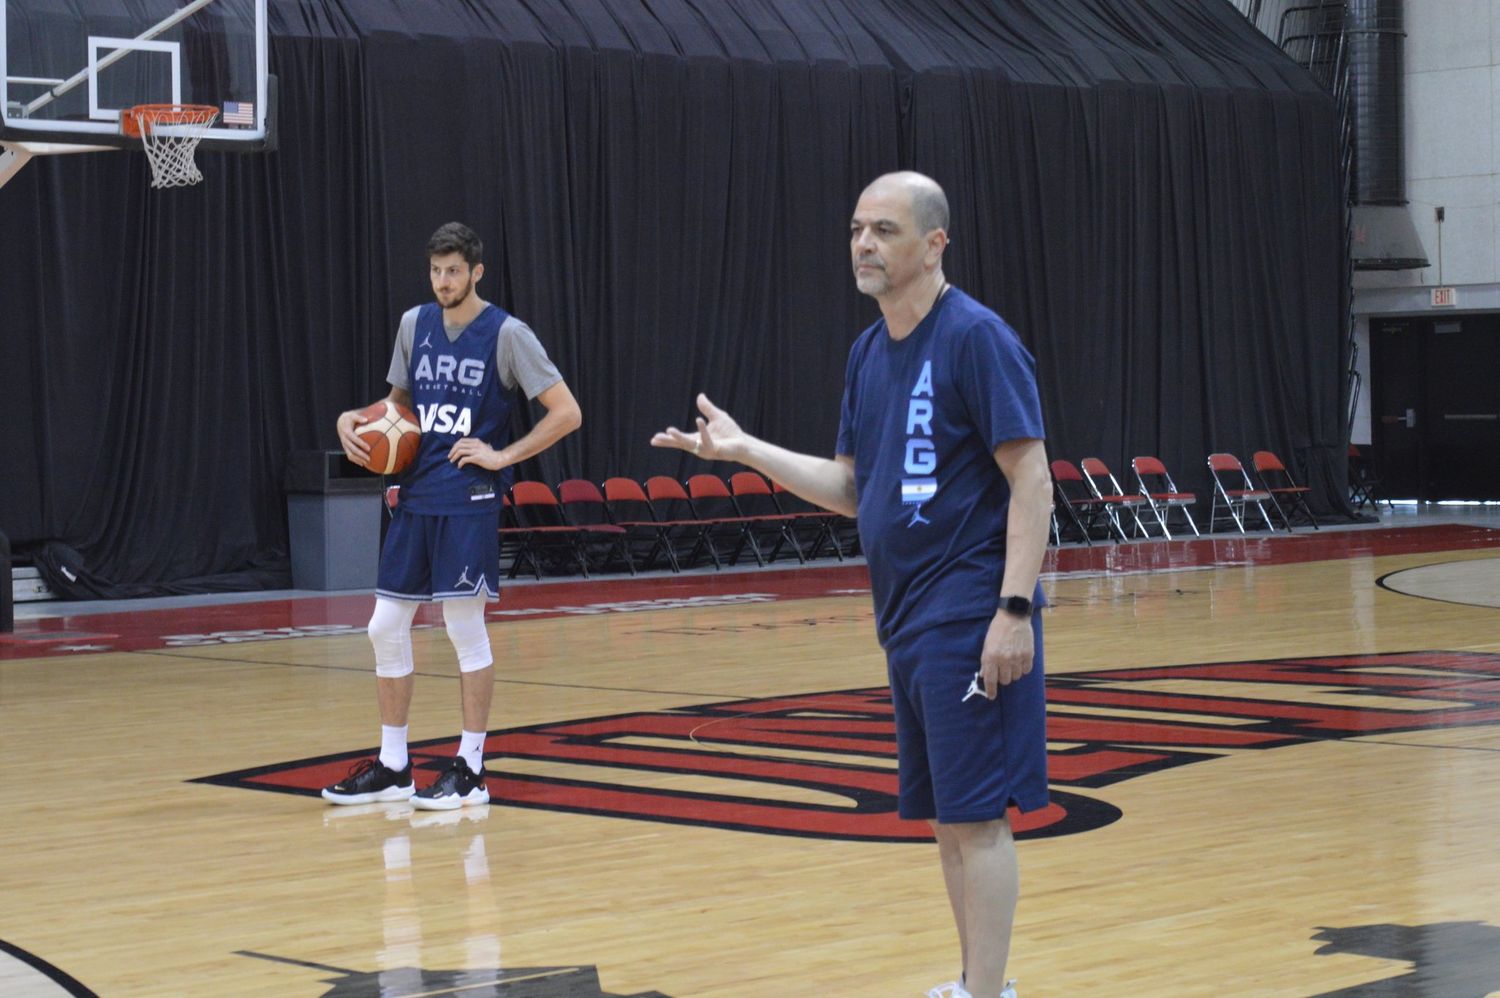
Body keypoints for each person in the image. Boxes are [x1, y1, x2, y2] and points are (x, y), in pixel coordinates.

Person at [652, 173, 1051, 998]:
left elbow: (1033, 480)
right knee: (948, 819)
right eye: (857, 229)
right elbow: (850, 489)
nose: (864, 244)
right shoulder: (868, 352)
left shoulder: (977, 339)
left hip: (968, 609)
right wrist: (746, 451)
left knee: (977, 820)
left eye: (886, 230)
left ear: (935, 244)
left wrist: (1013, 610)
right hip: (904, 620)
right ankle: (977, 983)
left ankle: (989, 992)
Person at [323, 221, 581, 811]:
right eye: (437, 271)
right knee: (383, 627)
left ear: (476, 272)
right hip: (414, 495)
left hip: (468, 500)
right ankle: (393, 766)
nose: (444, 281)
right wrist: (353, 418)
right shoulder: (415, 325)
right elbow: (398, 406)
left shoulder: (507, 334)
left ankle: (471, 769)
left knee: (464, 630)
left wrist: (503, 455)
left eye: (454, 272)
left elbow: (567, 412)